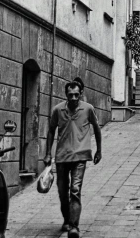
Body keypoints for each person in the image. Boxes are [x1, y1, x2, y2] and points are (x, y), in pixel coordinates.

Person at [45, 79, 102, 238]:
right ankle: (67, 220)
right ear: (66, 95)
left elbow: (97, 129)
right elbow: (50, 131)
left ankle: (74, 227)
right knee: (63, 192)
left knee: (75, 191)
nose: (74, 98)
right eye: (70, 95)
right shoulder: (58, 110)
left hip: (80, 156)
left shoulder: (88, 109)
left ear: (81, 94)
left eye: (77, 94)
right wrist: (48, 154)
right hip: (62, 157)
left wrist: (99, 151)